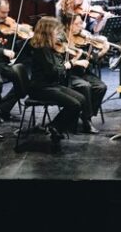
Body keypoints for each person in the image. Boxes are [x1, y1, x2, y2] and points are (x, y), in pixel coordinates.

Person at [25, 16, 86, 150]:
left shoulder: (50, 47)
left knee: (81, 99)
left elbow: (57, 68)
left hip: (51, 85)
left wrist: (66, 62)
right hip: (40, 88)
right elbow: (53, 71)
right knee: (74, 105)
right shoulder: (41, 49)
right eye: (55, 31)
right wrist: (68, 64)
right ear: (48, 32)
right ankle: (55, 127)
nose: (58, 34)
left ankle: (56, 127)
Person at [59, 11, 107, 133]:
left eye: (82, 23)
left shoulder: (83, 37)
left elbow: (91, 59)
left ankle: (85, 115)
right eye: (78, 24)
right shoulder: (61, 38)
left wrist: (102, 52)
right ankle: (87, 120)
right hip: (68, 74)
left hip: (82, 73)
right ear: (68, 25)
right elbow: (61, 63)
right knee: (85, 87)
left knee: (101, 87)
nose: (82, 26)